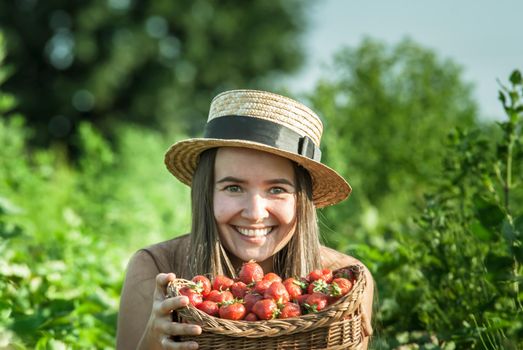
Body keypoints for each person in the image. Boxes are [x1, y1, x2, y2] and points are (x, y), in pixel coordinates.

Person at [116, 89, 374, 349]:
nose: (254, 213)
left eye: (277, 190)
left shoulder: (346, 286)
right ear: (207, 193)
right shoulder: (156, 268)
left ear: (302, 201)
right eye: (234, 188)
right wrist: (152, 341)